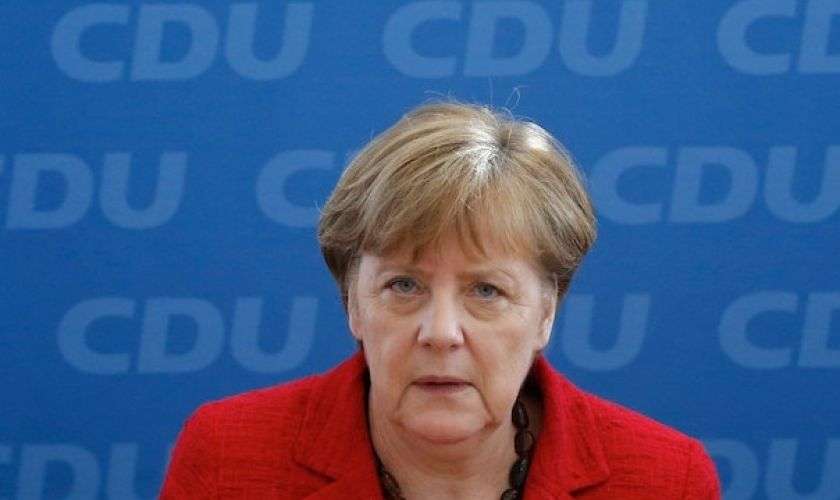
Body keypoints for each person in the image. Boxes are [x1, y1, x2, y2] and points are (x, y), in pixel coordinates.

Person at [159, 100, 721, 499]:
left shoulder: (665, 481)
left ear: (546, 313)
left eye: (486, 290)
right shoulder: (229, 460)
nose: (441, 333)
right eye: (404, 285)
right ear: (353, 303)